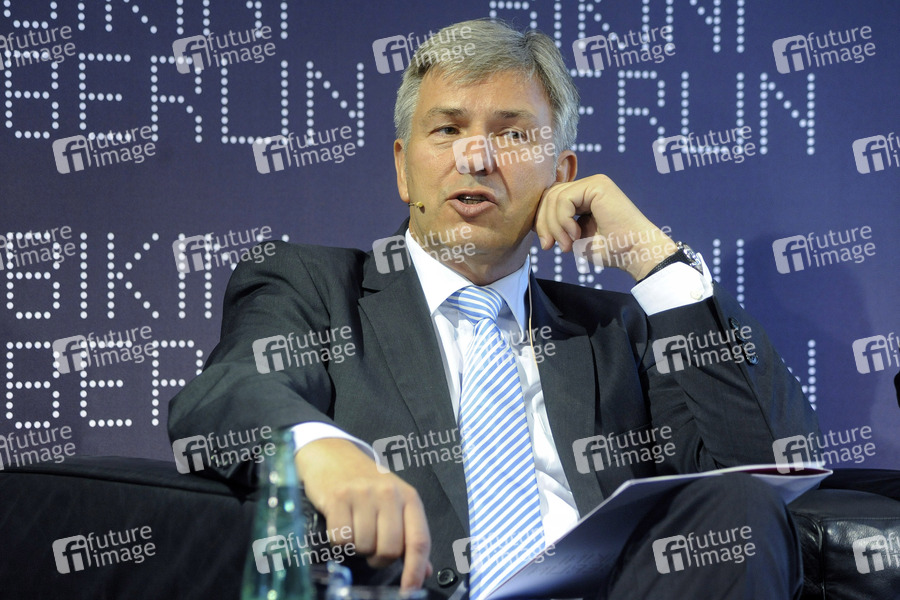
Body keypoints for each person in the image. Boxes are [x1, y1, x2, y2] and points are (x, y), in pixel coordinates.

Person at [169, 19, 820, 600]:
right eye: (448, 129)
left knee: (741, 505)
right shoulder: (313, 289)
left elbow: (769, 466)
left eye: (511, 134)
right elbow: (227, 394)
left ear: (561, 175)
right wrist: (319, 449)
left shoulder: (616, 331)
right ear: (403, 169)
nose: (475, 158)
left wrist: (655, 261)